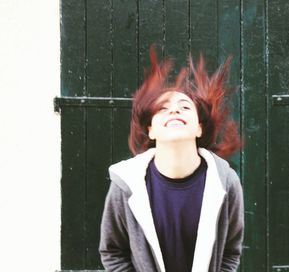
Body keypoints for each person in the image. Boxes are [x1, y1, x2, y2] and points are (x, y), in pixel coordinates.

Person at [99, 47, 244, 272]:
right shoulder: (126, 184)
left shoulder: (225, 182)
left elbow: (231, 251)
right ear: (151, 131)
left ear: (198, 128)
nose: (174, 111)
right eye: (163, 109)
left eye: (185, 107)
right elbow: (113, 251)